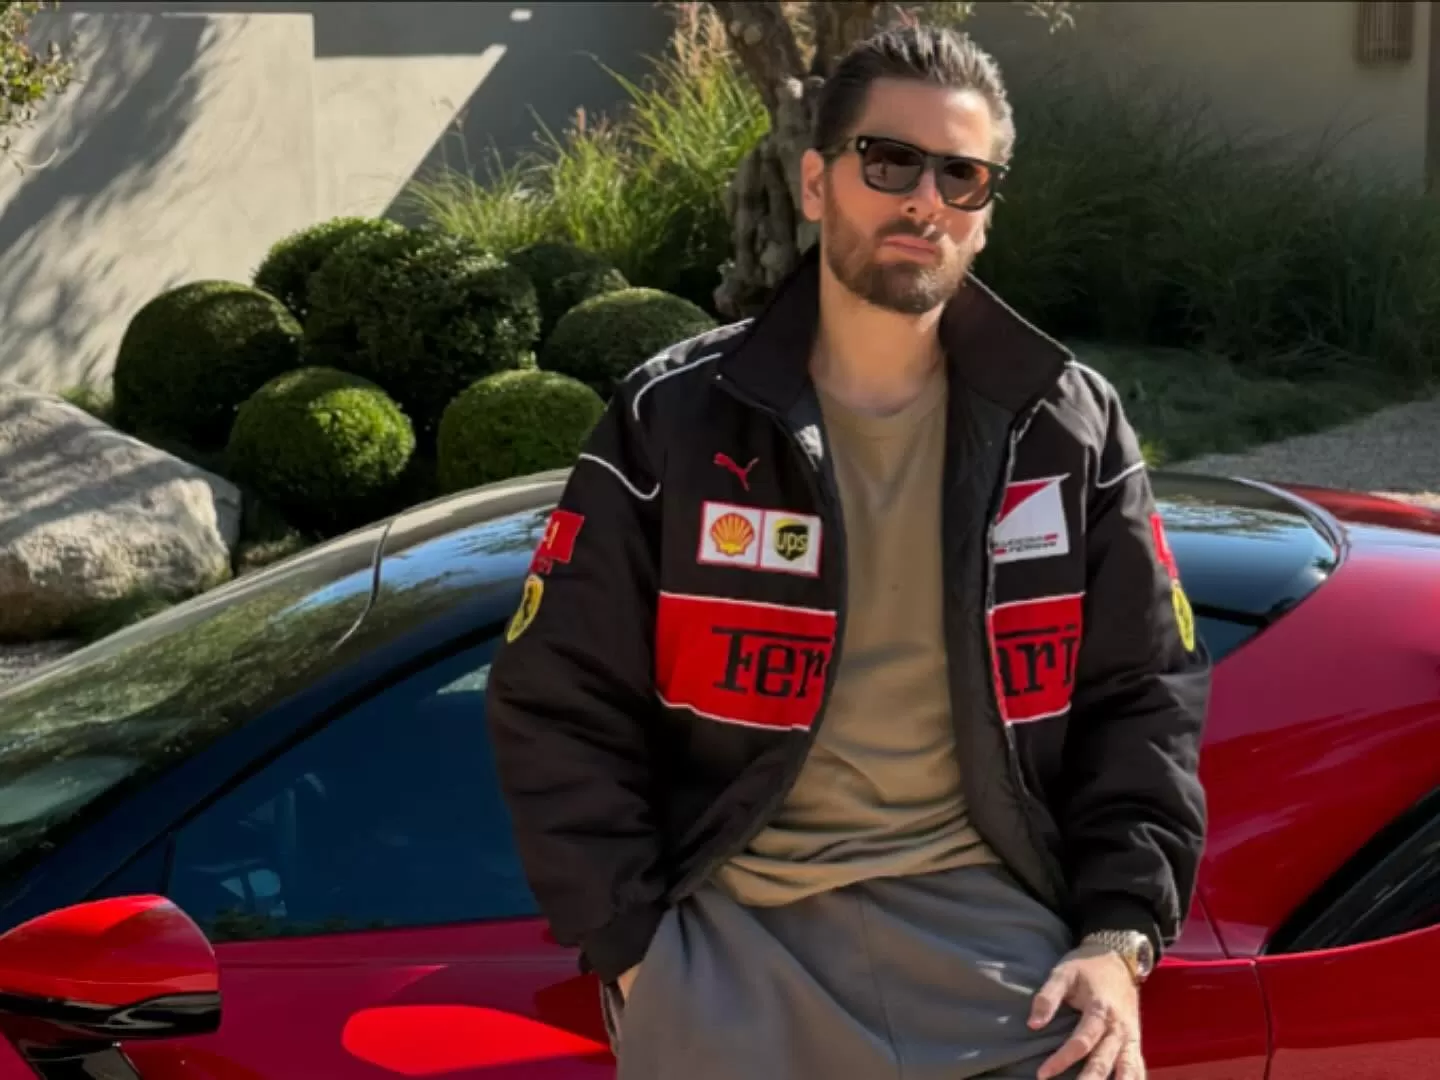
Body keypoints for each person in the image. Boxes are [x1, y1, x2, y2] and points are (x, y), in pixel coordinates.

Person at [487, 23, 1209, 1080]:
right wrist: (636, 950)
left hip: (1007, 945)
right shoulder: (674, 420)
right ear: (818, 181)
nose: (925, 201)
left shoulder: (1068, 425)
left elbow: (1145, 690)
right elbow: (556, 695)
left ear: (986, 212)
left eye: (963, 176)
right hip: (733, 947)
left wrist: (1117, 936)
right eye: (891, 161)